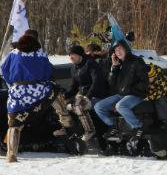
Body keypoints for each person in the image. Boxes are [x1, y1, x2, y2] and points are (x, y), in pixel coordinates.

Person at [1, 34, 68, 162]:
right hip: (38, 91)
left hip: (18, 93)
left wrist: (13, 84)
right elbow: (49, 72)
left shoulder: (13, 53)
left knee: (14, 124)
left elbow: (4, 70)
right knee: (55, 90)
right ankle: (65, 120)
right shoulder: (41, 54)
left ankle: (11, 155)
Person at [93, 39, 149, 141]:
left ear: (126, 49)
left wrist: (130, 90)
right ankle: (114, 126)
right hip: (121, 95)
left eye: (120, 49)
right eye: (115, 50)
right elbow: (112, 83)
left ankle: (138, 126)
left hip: (136, 94)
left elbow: (144, 81)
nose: (118, 52)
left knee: (120, 106)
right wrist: (114, 67)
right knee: (98, 106)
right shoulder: (118, 64)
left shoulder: (137, 61)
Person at [53, 44, 108, 141]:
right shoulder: (74, 67)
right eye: (69, 55)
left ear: (80, 55)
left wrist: (88, 96)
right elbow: (74, 87)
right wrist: (65, 95)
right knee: (61, 103)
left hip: (96, 94)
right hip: (82, 94)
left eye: (73, 55)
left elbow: (97, 82)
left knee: (78, 105)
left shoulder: (91, 64)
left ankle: (89, 130)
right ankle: (67, 128)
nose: (70, 57)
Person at [146, 63, 167, 128]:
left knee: (159, 102)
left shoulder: (161, 77)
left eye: (150, 78)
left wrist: (148, 98)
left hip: (163, 94)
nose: (149, 80)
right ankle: (152, 122)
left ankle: (164, 121)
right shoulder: (144, 72)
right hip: (151, 93)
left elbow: (160, 92)